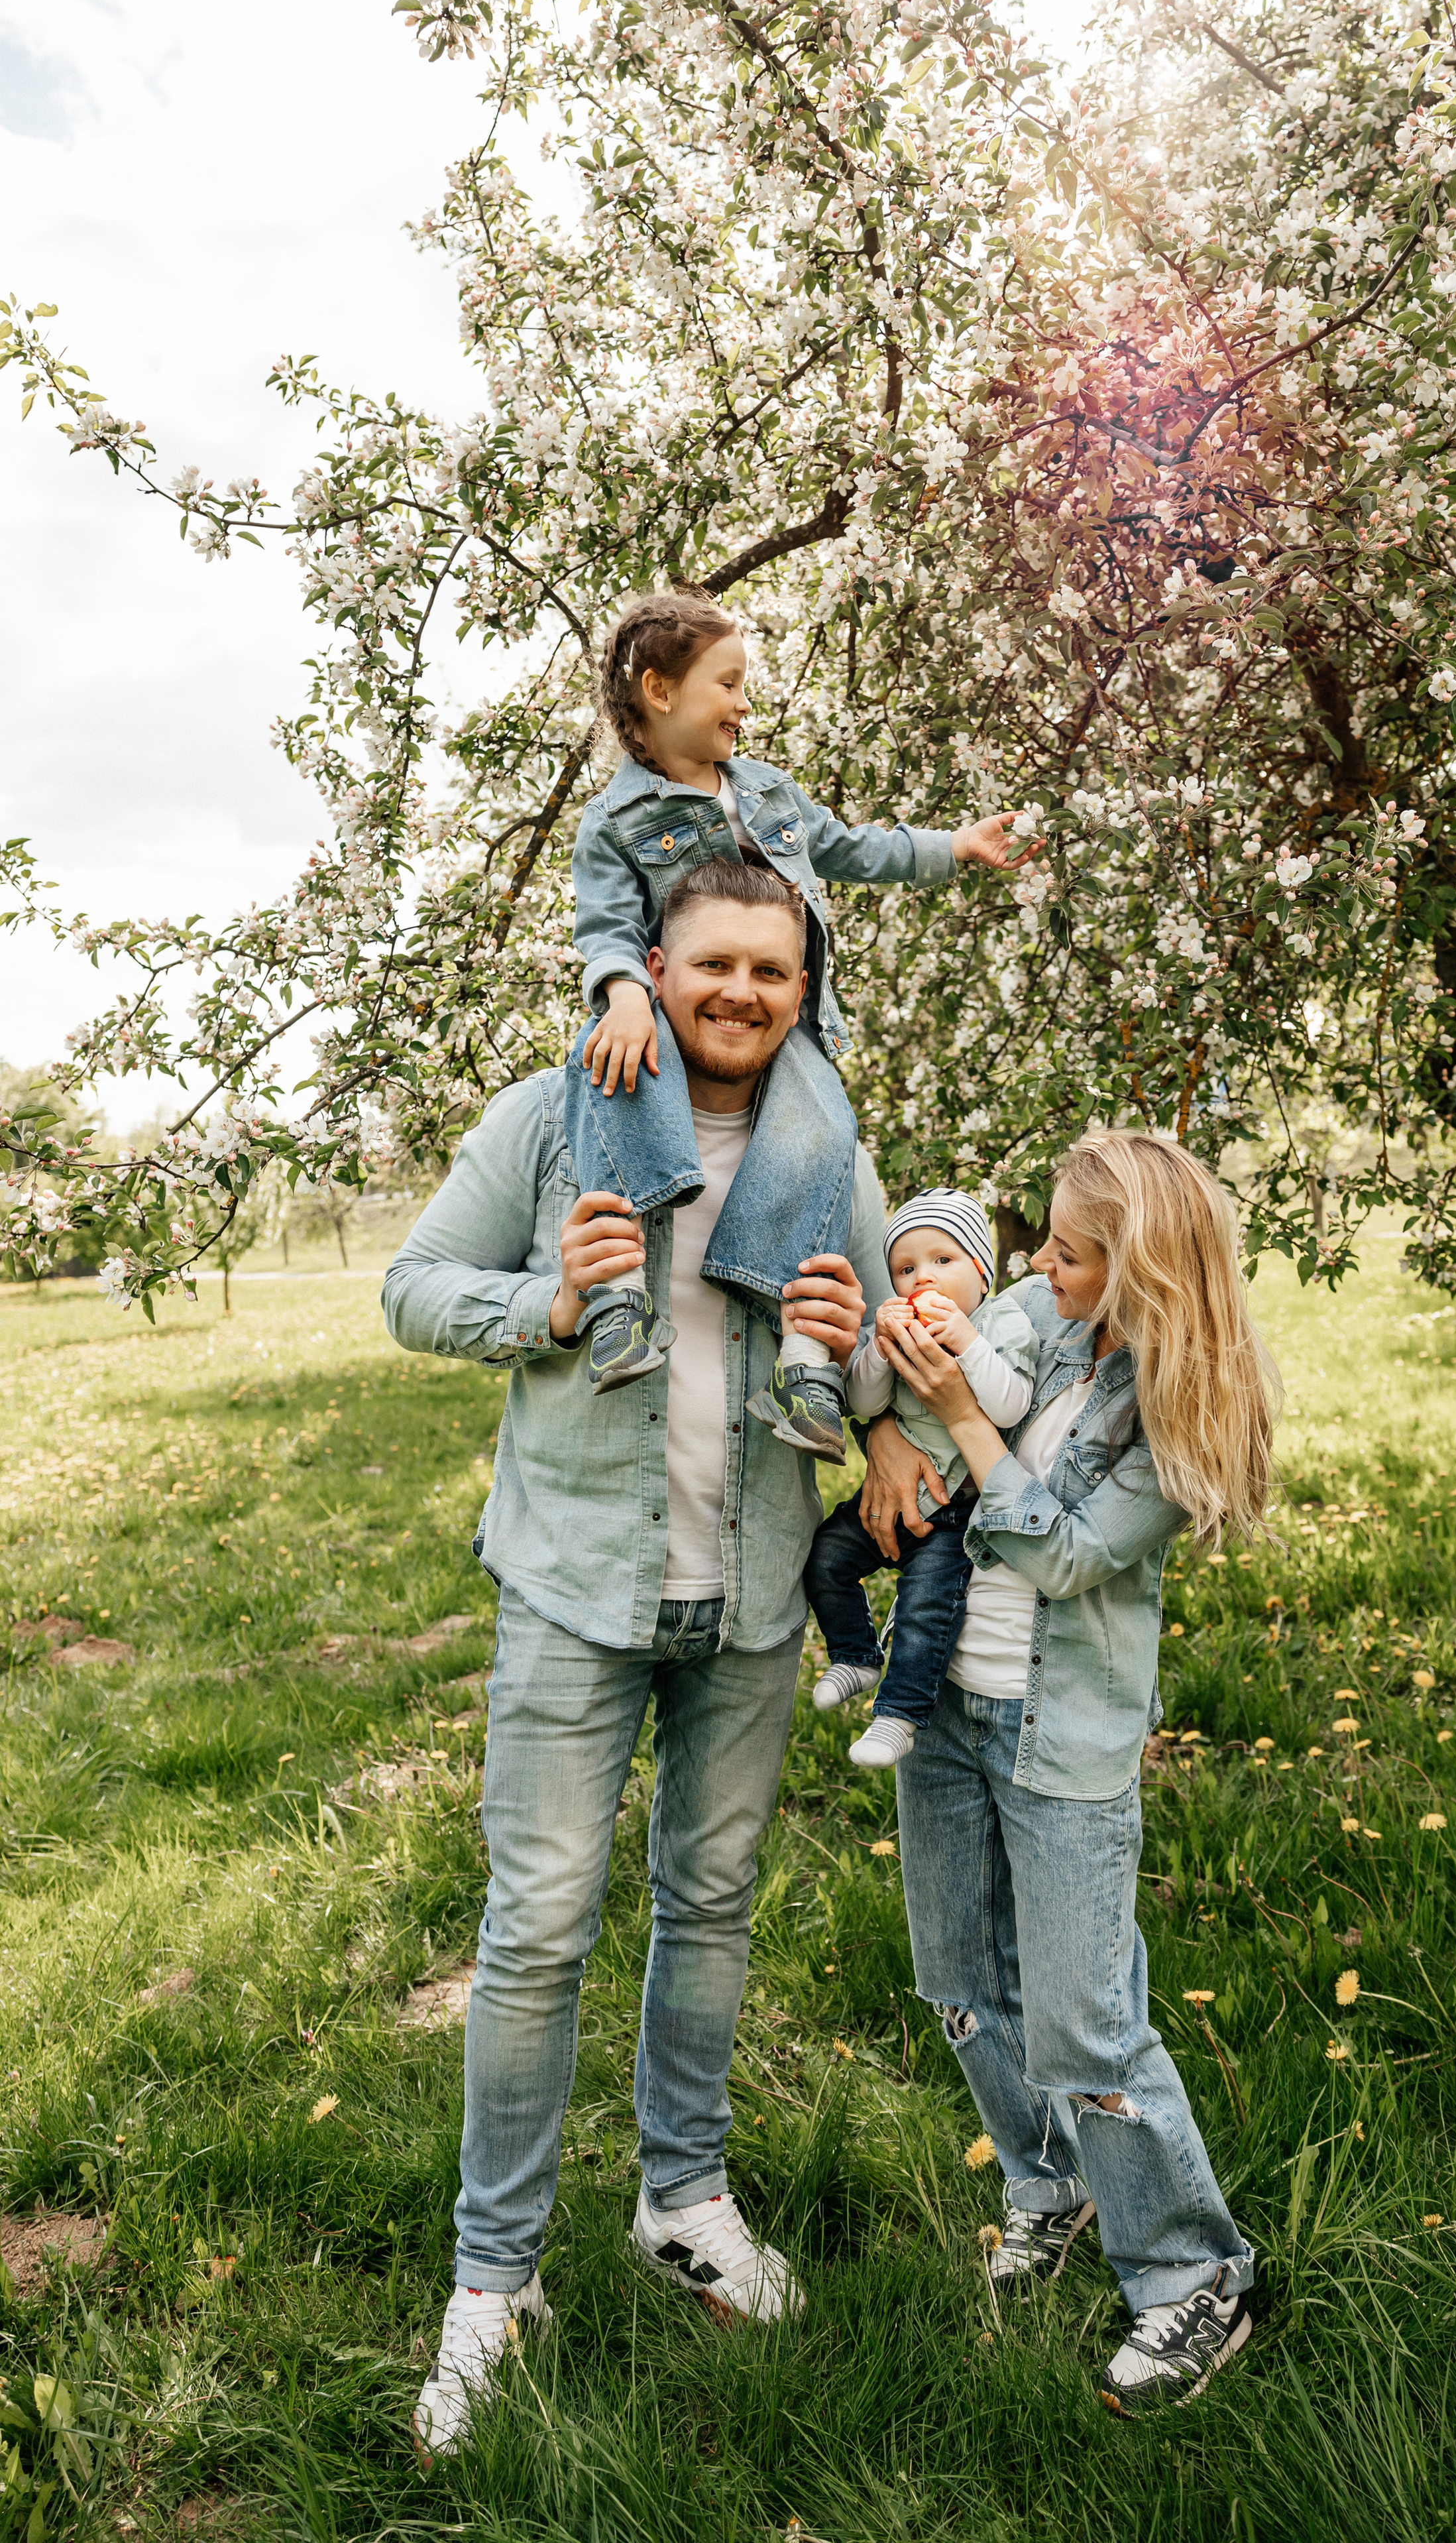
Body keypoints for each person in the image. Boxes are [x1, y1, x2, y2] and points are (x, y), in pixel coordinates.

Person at [382, 856, 899, 2457]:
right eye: (713, 964)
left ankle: (682, 2199)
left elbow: (888, 1346)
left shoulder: (826, 1149)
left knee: (712, 1900)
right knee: (536, 1927)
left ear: (804, 989)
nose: (742, 992)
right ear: (651, 971)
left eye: (774, 970)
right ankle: (494, 2280)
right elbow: (410, 1285)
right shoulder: (554, 1116)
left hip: (745, 1594)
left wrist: (865, 1354)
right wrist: (547, 1305)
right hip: (570, 1585)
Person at [879, 1130, 1280, 2412]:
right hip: (942, 1704)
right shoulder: (1040, 1317)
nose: (1034, 1266)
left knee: (1086, 2021)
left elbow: (1058, 1556)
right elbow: (917, 1376)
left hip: (1064, 1738)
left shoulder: (1183, 1407)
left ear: (1144, 1273)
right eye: (1042, 1241)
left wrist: (952, 1418)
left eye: (1067, 1252)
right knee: (959, 1984)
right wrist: (898, 1428)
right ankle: (1046, 2187)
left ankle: (1193, 2280)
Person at [563, 587, 1033, 1463]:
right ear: (660, 691)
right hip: (663, 1023)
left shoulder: (768, 791)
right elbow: (603, 929)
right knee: (612, 1075)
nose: (746, 703)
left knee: (823, 1138)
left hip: (790, 1028)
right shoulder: (616, 820)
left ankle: (807, 1366)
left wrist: (952, 848)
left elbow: (852, 847)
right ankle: (620, 1305)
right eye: (729, 683)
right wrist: (625, 993)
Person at [803, 1189, 1038, 1769]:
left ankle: (899, 1716)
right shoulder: (900, 1326)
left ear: (982, 1272)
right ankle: (855, 1654)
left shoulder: (1000, 1322)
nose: (921, 1279)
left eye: (943, 1261)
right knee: (826, 1556)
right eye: (905, 1269)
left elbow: (1010, 1406)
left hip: (957, 1507)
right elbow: (861, 1401)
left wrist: (965, 1340)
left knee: (925, 1608)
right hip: (892, 1488)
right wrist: (881, 1351)